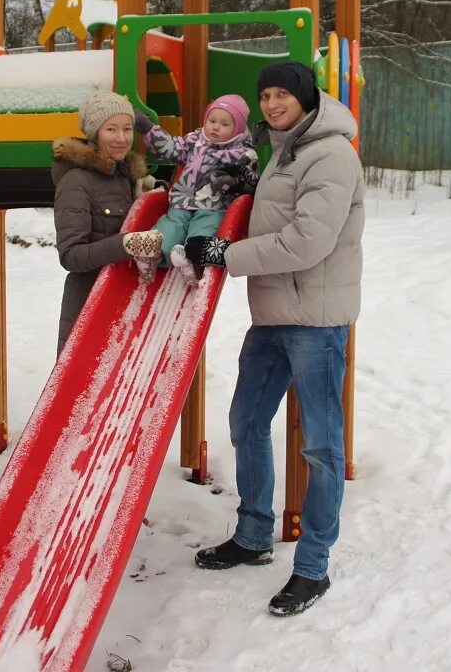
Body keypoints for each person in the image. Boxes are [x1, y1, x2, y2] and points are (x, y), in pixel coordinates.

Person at [184, 61, 364, 618]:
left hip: (315, 319)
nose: (271, 103)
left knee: (320, 444)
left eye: (282, 93)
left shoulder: (329, 153)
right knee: (245, 422)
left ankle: (313, 566)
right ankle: (255, 535)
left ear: (306, 98)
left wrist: (224, 256)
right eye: (265, 95)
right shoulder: (283, 151)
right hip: (271, 314)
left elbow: (308, 241)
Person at [52, 91, 158, 356]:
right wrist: (126, 244)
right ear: (95, 133)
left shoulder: (125, 176)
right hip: (90, 307)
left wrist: (143, 201)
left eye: (127, 129)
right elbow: (71, 255)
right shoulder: (76, 181)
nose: (121, 138)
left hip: (126, 303)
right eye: (111, 129)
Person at [131, 94, 259, 283]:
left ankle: (190, 258)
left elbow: (251, 182)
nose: (215, 127)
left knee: (204, 230)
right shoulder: (194, 141)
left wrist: (236, 182)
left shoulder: (243, 153)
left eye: (224, 124)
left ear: (237, 129)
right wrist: (149, 129)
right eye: (212, 120)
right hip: (182, 201)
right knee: (170, 226)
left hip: (214, 205)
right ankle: (153, 253)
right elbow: (171, 148)